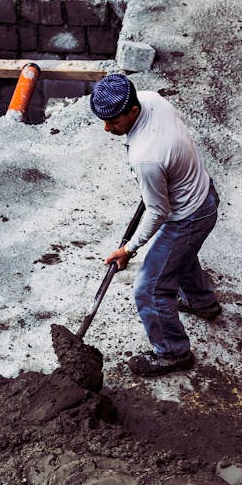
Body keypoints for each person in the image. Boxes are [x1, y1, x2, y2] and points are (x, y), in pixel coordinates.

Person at [89, 73, 221, 377]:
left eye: (113, 122)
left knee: (149, 290)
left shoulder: (146, 157)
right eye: (104, 121)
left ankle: (172, 352)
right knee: (178, 257)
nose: (107, 129)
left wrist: (128, 249)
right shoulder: (151, 99)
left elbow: (158, 211)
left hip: (187, 217)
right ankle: (202, 303)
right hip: (204, 194)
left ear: (133, 111)